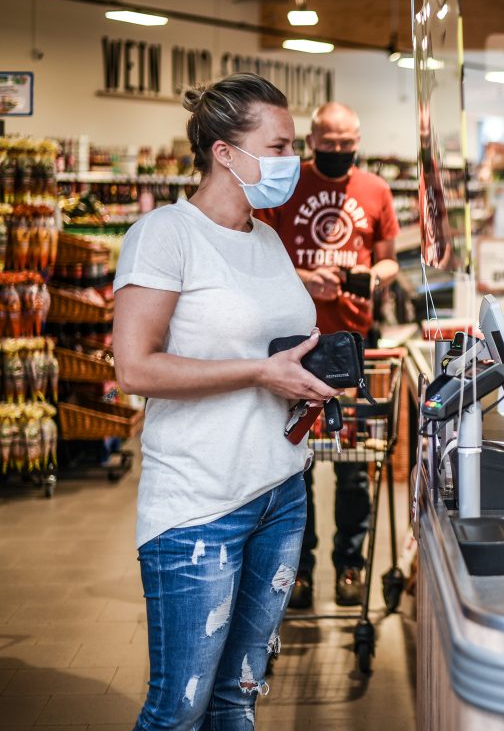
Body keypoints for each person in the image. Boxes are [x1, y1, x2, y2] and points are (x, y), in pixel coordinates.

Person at [113, 73, 339, 729]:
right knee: (178, 708)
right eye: (280, 145)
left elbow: (272, 348)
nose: (292, 161)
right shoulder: (164, 235)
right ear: (224, 151)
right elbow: (135, 365)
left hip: (280, 490)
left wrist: (304, 377)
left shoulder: (266, 239)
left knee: (237, 695)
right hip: (198, 506)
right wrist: (260, 374)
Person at [255, 102, 400, 608]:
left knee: (353, 466)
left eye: (346, 144)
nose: (337, 152)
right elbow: (259, 254)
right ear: (312, 138)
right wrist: (303, 279)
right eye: (328, 143)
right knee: (297, 462)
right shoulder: (286, 185)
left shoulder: (377, 190)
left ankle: (350, 566)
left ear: (358, 140)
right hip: (296, 344)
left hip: (356, 347)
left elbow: (389, 260)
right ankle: (299, 569)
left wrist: (377, 277)